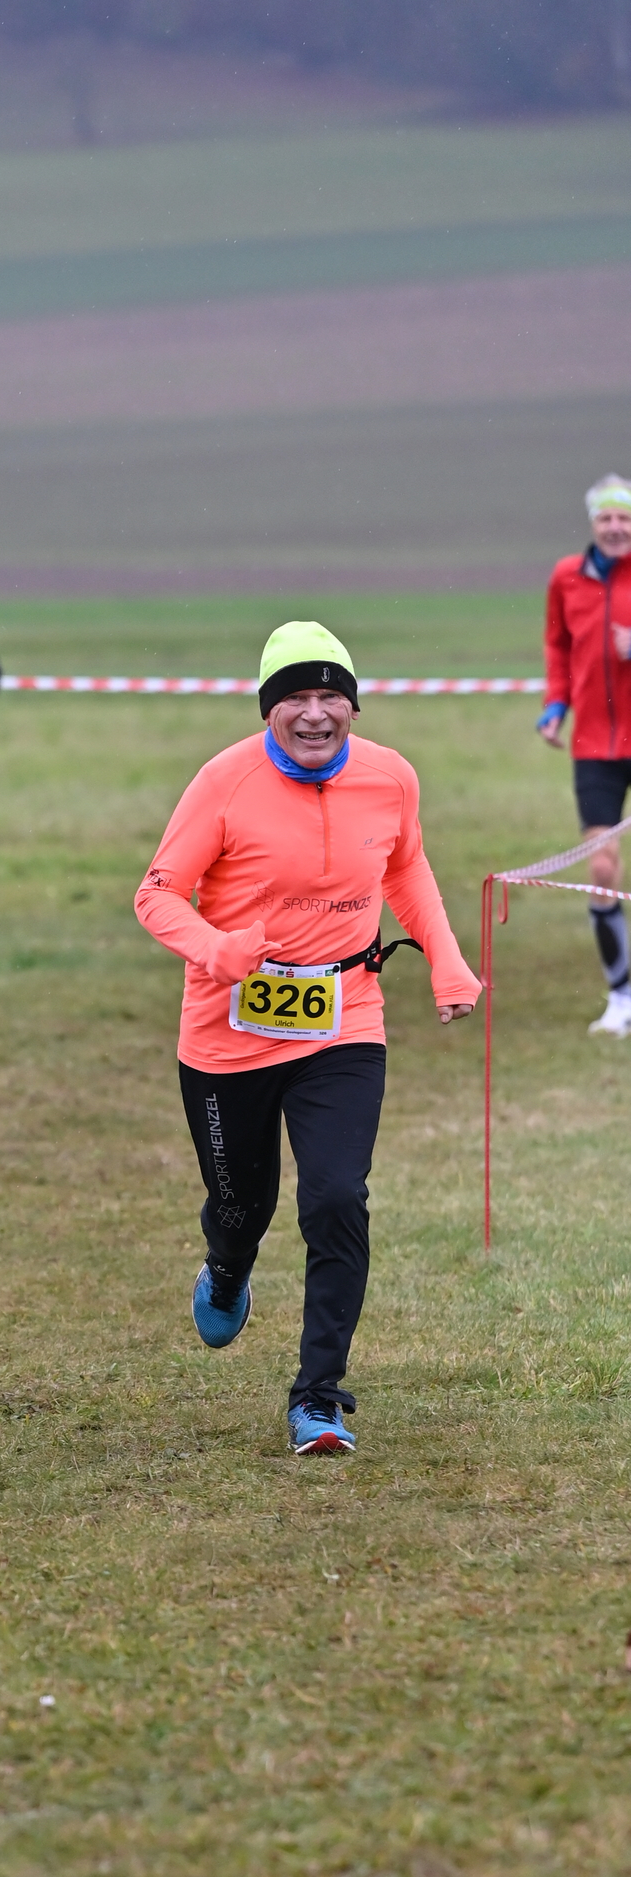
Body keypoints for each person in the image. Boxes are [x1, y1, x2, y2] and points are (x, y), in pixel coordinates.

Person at [135, 621, 480, 1459]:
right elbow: (157, 895)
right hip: (229, 1031)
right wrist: (215, 950)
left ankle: (318, 1398)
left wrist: (447, 962)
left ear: (354, 706)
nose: (316, 714)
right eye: (296, 697)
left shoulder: (390, 777)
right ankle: (227, 1267)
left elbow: (406, 868)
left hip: (344, 1018)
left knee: (335, 1198)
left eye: (332, 696)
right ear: (269, 709)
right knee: (240, 1210)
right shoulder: (224, 782)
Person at [538, 472, 631, 1035]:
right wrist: (555, 705)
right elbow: (558, 646)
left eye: (624, 518)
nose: (616, 527)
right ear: (594, 523)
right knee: (601, 867)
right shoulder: (566, 577)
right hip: (595, 744)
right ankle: (621, 997)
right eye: (607, 518)